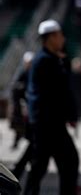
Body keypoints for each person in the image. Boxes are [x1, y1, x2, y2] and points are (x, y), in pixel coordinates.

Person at [23, 20, 81, 195]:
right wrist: (71, 115)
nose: (63, 39)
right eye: (59, 35)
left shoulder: (50, 59)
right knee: (66, 162)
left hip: (48, 122)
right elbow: (59, 93)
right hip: (48, 123)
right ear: (50, 38)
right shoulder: (45, 61)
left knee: (42, 165)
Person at [10, 52, 34, 180]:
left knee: (34, 146)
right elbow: (16, 90)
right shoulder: (23, 74)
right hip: (27, 113)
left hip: (33, 113)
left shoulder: (34, 74)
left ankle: (18, 170)